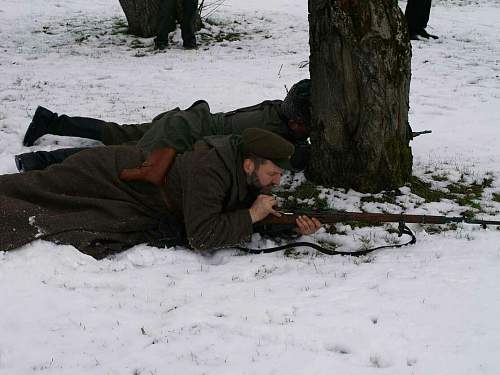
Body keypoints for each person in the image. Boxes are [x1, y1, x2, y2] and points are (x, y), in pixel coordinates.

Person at [0, 128, 321, 259]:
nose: (277, 181)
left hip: (131, 190)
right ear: (249, 164)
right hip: (105, 176)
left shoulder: (239, 170)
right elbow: (203, 235)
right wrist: (252, 215)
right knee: (36, 194)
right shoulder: (211, 171)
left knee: (43, 200)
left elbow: (232, 211)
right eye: (273, 173)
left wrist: (289, 225)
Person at [16, 79, 312, 177]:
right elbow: (292, 158)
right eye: (306, 125)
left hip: (185, 120)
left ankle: (51, 121)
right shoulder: (273, 131)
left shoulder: (279, 108)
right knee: (124, 155)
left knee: (118, 134)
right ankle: (38, 162)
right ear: (296, 122)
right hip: (181, 132)